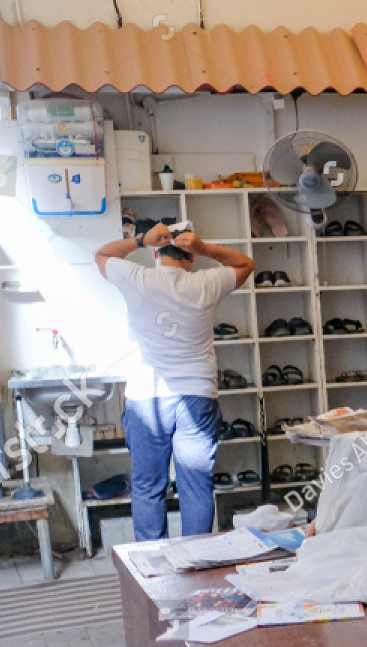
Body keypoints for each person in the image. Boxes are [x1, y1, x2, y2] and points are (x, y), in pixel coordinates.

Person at [94, 222, 253, 540]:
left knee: (148, 487)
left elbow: (100, 255)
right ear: (191, 257)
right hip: (196, 398)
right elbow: (245, 263)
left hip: (146, 399)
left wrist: (138, 240)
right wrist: (206, 248)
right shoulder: (206, 282)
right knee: (195, 488)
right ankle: (194, 566)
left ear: (155, 252)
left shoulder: (136, 277)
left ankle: (152, 572)